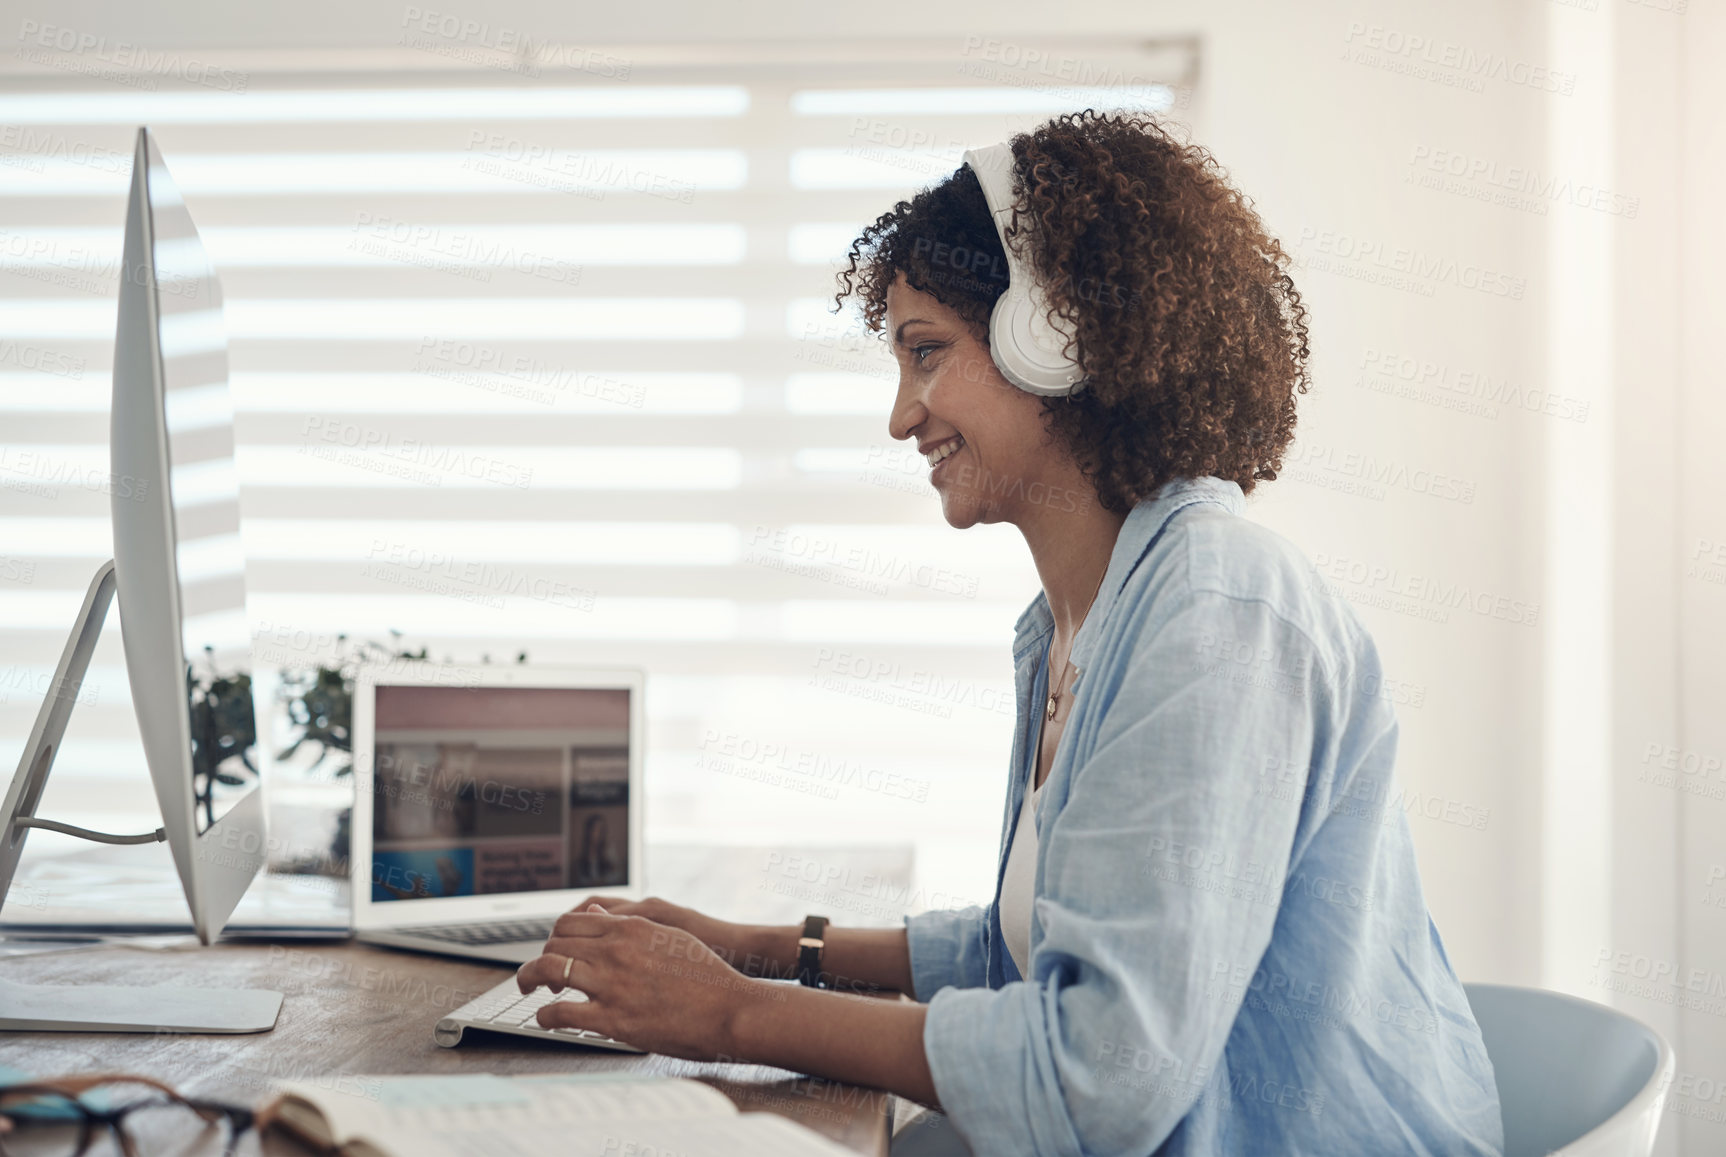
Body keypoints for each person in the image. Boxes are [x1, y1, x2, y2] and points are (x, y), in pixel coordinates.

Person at [515, 110, 1503, 1156]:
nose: (903, 416)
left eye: (927, 352)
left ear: (1058, 335)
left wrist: (726, 1010)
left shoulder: (1217, 609)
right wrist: (749, 946)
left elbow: (1097, 1072)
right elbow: (1021, 952)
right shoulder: (1080, 618)